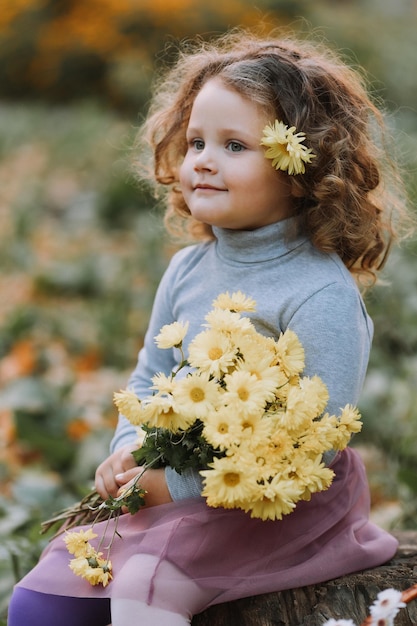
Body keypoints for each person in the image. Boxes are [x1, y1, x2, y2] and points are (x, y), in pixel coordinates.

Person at [8, 28, 410, 626]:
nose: (203, 159)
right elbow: (149, 377)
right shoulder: (189, 269)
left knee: (144, 588)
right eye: (196, 140)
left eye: (234, 145)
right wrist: (126, 454)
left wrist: (174, 487)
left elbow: (316, 443)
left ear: (301, 166)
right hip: (176, 485)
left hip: (277, 506)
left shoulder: (319, 291)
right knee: (42, 599)